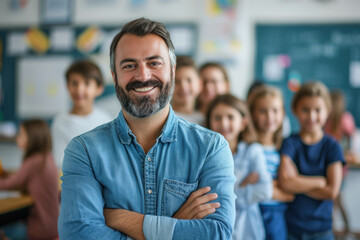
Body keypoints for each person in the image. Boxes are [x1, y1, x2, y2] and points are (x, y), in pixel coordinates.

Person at [58, 18, 236, 239]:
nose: (143, 76)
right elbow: (78, 235)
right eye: (129, 65)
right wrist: (177, 223)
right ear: (114, 76)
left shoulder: (211, 148)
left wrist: (121, 218)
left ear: (172, 70)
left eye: (154, 63)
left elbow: (218, 234)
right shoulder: (84, 151)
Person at [279, 81, 344, 240]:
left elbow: (332, 191)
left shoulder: (333, 146)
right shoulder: (290, 143)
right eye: (305, 110)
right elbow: (285, 183)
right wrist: (320, 181)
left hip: (322, 230)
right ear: (295, 110)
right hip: (291, 228)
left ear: (327, 111)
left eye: (318, 110)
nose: (312, 116)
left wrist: (297, 182)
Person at [207, 94, 272, 240]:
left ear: (243, 123)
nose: (223, 123)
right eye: (217, 118)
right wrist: (241, 188)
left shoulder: (253, 151)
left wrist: (227, 196)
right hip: (215, 231)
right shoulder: (205, 156)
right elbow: (204, 198)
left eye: (230, 117)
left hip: (247, 231)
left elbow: (265, 190)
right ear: (209, 122)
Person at [247, 85, 294, 240]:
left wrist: (264, 188)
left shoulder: (284, 151)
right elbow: (243, 185)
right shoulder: (247, 148)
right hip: (252, 210)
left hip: (277, 214)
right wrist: (272, 186)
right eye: (262, 111)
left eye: (275, 111)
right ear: (252, 113)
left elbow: (290, 192)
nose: (269, 116)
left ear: (283, 114)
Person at [0, 119, 59, 240]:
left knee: (4, 228)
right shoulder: (47, 157)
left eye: (21, 135)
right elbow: (20, 178)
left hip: (40, 230)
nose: (17, 138)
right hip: (53, 225)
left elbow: (10, 183)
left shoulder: (34, 161)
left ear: (33, 138)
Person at [51, 60, 113, 169]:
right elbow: (60, 161)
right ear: (67, 86)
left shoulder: (106, 120)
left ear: (99, 89)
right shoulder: (60, 122)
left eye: (87, 84)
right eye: (74, 83)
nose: (79, 89)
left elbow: (110, 157)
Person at [324, 90, 356, 238]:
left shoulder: (337, 119)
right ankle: (344, 230)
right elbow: (350, 138)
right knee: (336, 200)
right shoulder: (336, 119)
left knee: (334, 200)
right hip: (337, 165)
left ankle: (334, 230)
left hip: (335, 166)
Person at [171, 56, 204, 125]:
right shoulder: (164, 119)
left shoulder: (205, 119)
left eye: (189, 80)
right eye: (177, 81)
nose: (183, 86)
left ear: (200, 84)